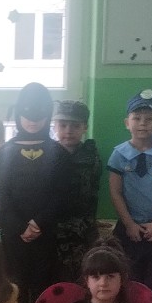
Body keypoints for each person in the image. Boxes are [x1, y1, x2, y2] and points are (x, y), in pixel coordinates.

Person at [0, 82, 65, 303]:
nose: (33, 120)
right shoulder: (5, 152)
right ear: (18, 113)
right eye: (27, 113)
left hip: (46, 233)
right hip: (13, 235)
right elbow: (1, 193)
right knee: (16, 286)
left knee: (45, 285)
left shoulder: (58, 153)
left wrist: (38, 223)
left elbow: (60, 193)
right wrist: (19, 226)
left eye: (39, 113)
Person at [108, 89, 152, 303]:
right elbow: (115, 192)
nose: (142, 123)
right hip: (129, 229)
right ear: (126, 122)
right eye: (137, 118)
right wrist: (129, 224)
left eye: (149, 119)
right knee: (128, 279)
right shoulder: (118, 155)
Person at [52, 99, 101, 285]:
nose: (68, 130)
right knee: (55, 281)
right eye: (63, 125)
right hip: (53, 229)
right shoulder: (48, 154)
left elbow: (92, 194)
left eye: (75, 125)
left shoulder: (91, 156)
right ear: (55, 126)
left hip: (83, 230)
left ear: (85, 127)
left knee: (84, 279)